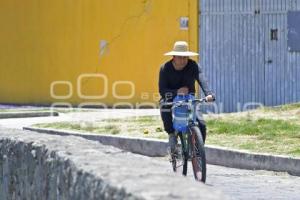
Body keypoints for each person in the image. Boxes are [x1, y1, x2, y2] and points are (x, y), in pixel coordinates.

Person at [158, 41, 215, 156]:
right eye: (180, 57)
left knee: (201, 124)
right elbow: (162, 90)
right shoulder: (165, 68)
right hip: (170, 97)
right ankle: (172, 136)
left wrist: (209, 94)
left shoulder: (193, 65)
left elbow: (202, 79)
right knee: (164, 107)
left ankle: (198, 152)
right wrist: (176, 92)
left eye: (186, 57)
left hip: (189, 98)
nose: (184, 60)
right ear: (173, 57)